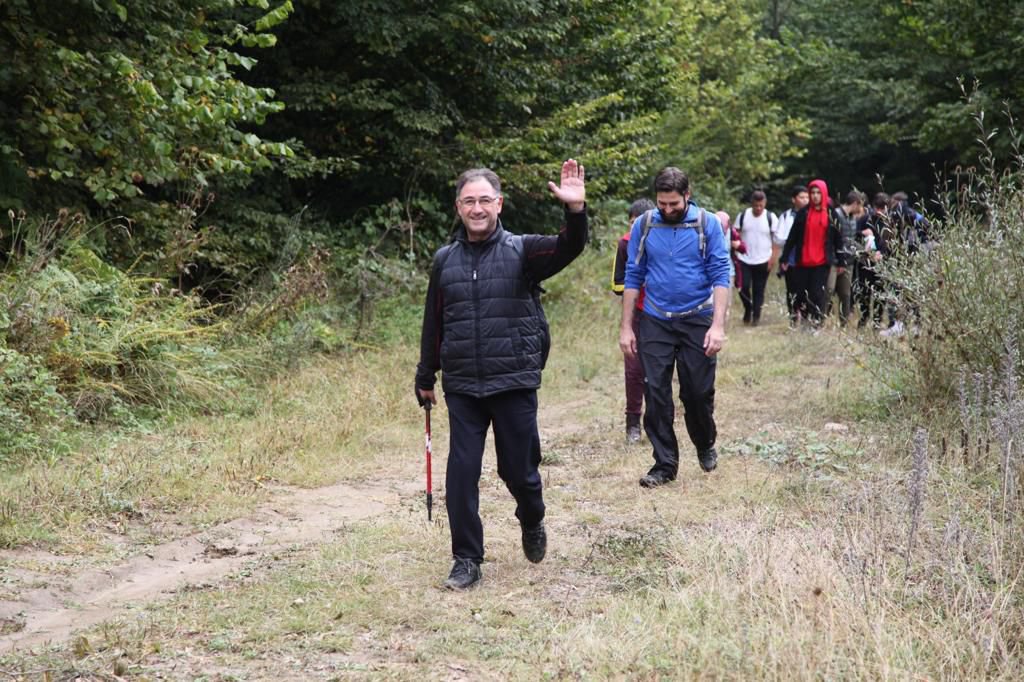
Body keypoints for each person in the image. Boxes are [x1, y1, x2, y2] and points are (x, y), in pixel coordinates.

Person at [415, 159, 588, 590]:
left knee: (520, 472)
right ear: (458, 207)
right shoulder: (445, 260)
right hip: (464, 386)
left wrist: (575, 210)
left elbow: (570, 247)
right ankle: (466, 559)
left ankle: (532, 518)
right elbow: (433, 321)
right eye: (469, 201)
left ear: (500, 204)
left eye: (485, 200)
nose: (477, 208)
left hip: (513, 380)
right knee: (462, 472)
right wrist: (425, 374)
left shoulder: (524, 252)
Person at [619, 167, 730, 488]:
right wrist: (626, 327)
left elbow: (721, 275)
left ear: (687, 196)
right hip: (655, 319)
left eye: (674, 204)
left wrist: (718, 325)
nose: (667, 210)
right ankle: (664, 464)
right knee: (656, 392)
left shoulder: (706, 224)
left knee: (696, 392)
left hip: (697, 317)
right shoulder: (645, 224)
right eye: (662, 204)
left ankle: (705, 441)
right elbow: (633, 275)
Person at [611, 198, 656, 443]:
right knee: (634, 369)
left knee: (658, 369)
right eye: (633, 223)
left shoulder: (663, 240)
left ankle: (657, 419)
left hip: (662, 313)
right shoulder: (625, 244)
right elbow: (617, 283)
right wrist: (636, 283)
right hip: (637, 313)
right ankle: (632, 423)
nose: (639, 229)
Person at [780, 179, 846, 328]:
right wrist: (784, 257)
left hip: (822, 262)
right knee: (801, 294)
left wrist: (841, 260)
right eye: (812, 193)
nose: (815, 196)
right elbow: (793, 237)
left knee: (817, 293)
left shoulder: (831, 213)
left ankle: (816, 322)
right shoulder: (803, 213)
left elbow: (838, 239)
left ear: (823, 194)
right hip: (803, 261)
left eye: (818, 193)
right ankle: (804, 320)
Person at [734, 190, 778, 326]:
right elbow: (736, 234)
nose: (758, 208)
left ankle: (756, 316)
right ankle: (748, 308)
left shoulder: (771, 217)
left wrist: (773, 259)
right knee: (743, 286)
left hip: (763, 258)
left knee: (759, 289)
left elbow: (776, 241)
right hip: (744, 259)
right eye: (756, 206)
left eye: (761, 206)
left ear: (765, 204)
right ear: (752, 204)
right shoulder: (743, 216)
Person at [773, 185, 809, 327]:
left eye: (807, 197)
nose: (805, 200)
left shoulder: (811, 214)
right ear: (794, 199)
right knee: (792, 290)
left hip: (808, 258)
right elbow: (778, 238)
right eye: (802, 197)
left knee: (806, 290)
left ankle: (807, 318)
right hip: (791, 259)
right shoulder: (786, 216)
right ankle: (793, 318)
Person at [828, 191, 865, 327]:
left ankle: (844, 322)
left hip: (848, 261)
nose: (861, 209)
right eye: (860, 205)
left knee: (845, 293)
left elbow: (851, 238)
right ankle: (822, 319)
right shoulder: (836, 214)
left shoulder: (852, 218)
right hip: (835, 260)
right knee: (829, 290)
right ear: (855, 203)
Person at [856, 192, 890, 329]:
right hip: (865, 263)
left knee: (880, 294)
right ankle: (864, 319)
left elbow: (892, 241)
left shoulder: (890, 221)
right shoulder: (865, 219)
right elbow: (853, 236)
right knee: (864, 292)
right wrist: (862, 234)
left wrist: (882, 253)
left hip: (882, 263)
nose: (880, 211)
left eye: (883, 208)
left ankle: (877, 321)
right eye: (878, 208)